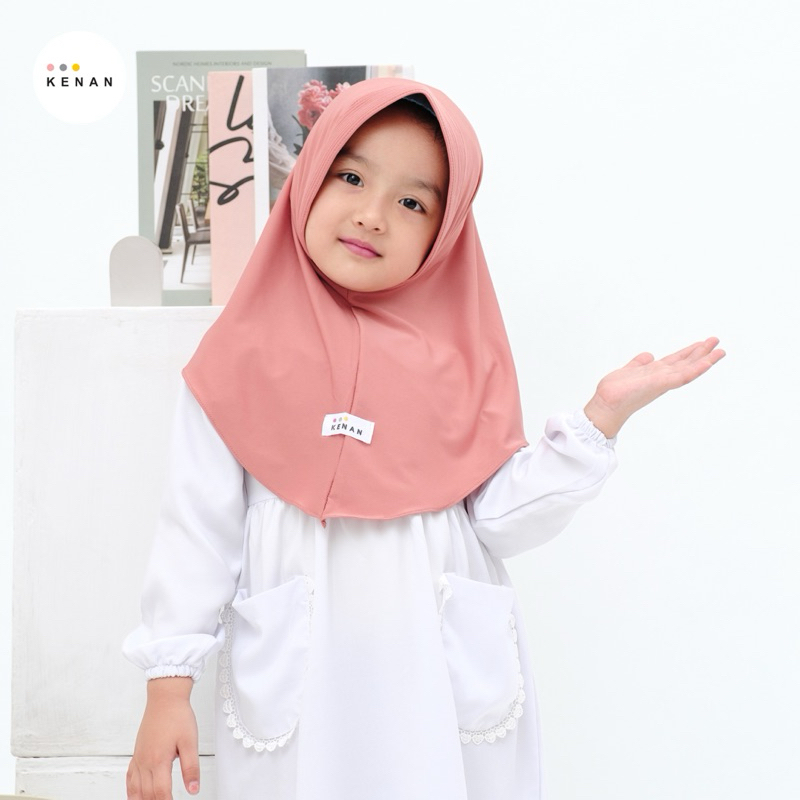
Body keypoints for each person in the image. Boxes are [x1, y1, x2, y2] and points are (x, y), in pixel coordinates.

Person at [123, 77, 724, 800]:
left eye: (413, 203)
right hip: (299, 687)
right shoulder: (236, 360)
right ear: (307, 179)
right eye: (350, 178)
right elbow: (195, 530)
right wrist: (168, 684)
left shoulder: (461, 362)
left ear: (446, 233)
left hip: (439, 693)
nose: (372, 215)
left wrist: (599, 420)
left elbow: (498, 520)